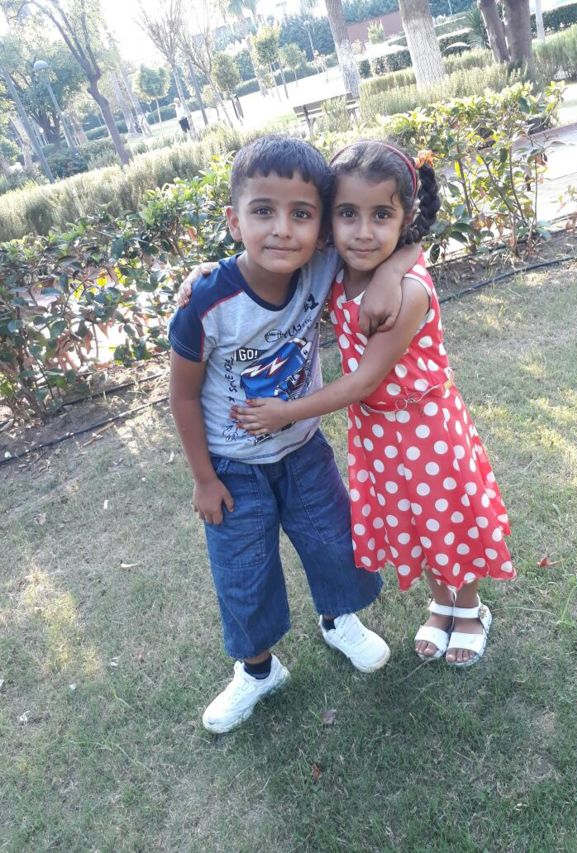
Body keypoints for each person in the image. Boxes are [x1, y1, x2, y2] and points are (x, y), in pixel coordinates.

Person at [169, 135, 418, 734]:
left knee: (334, 541)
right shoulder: (206, 302)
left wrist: (391, 273)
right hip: (232, 467)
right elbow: (182, 395)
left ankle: (339, 620)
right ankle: (257, 671)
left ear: (321, 225)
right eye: (263, 211)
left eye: (302, 214)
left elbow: (407, 234)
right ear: (234, 221)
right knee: (243, 573)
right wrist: (203, 479)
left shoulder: (321, 265)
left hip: (304, 449)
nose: (283, 230)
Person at [233, 141, 516, 668]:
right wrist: (207, 275)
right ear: (329, 219)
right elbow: (261, 264)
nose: (363, 232)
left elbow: (364, 381)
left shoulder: (409, 291)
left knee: (447, 520)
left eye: (381, 215)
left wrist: (285, 412)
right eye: (348, 214)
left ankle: (470, 608)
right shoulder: (335, 270)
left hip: (428, 429)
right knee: (415, 521)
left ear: (404, 217)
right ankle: (441, 603)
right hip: (379, 435)